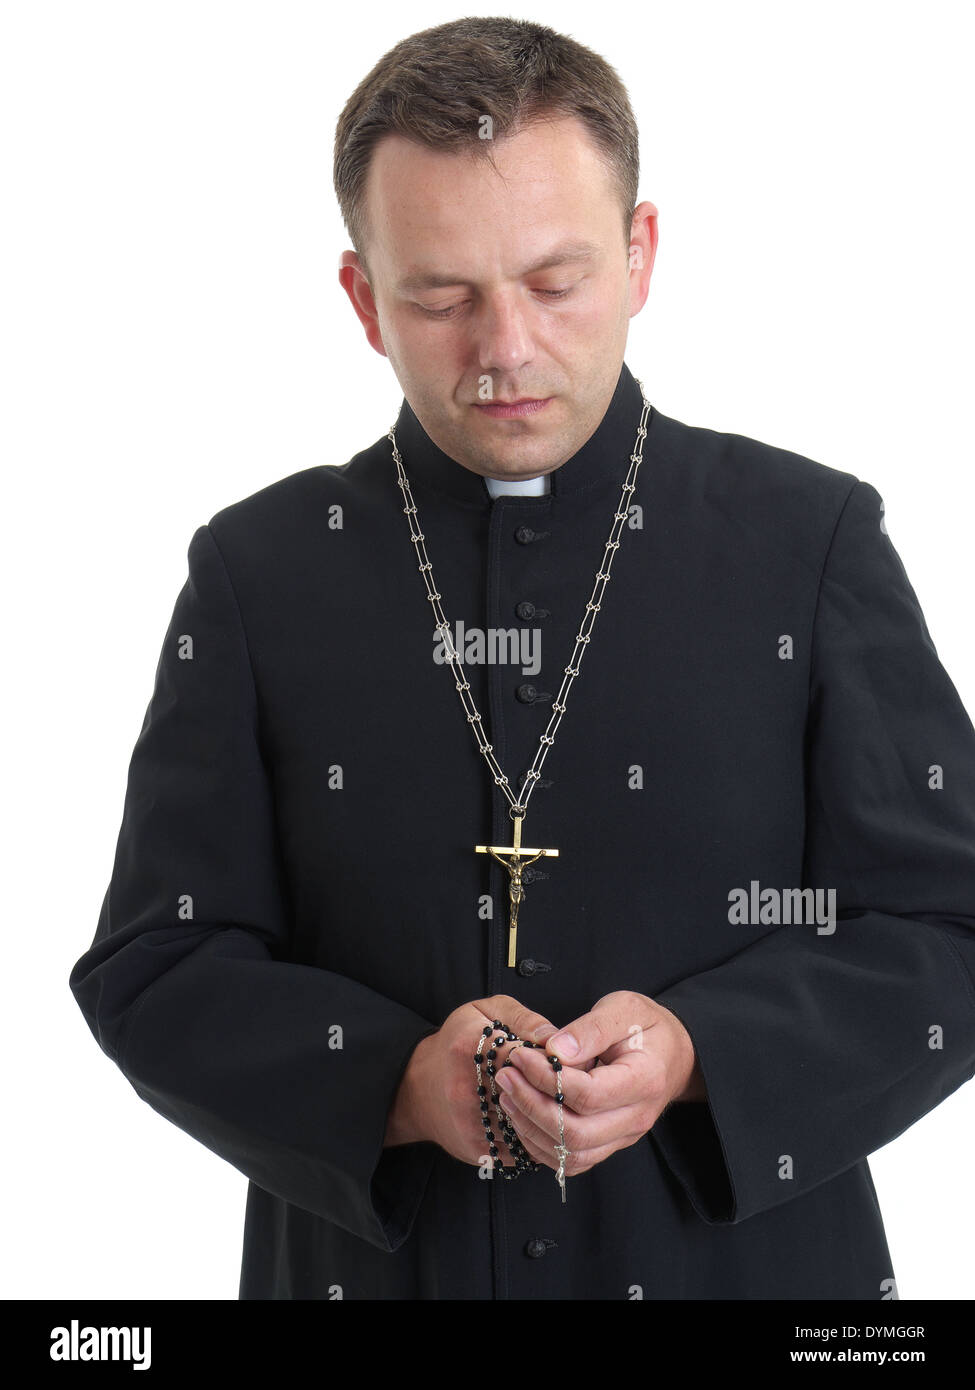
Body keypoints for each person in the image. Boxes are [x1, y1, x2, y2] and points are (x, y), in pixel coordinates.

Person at [69, 16, 975, 1301]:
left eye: (555, 283)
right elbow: (155, 961)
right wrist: (389, 1080)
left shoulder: (810, 543)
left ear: (641, 254)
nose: (504, 350)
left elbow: (950, 924)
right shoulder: (260, 571)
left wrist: (700, 1049)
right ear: (363, 298)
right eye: (441, 294)